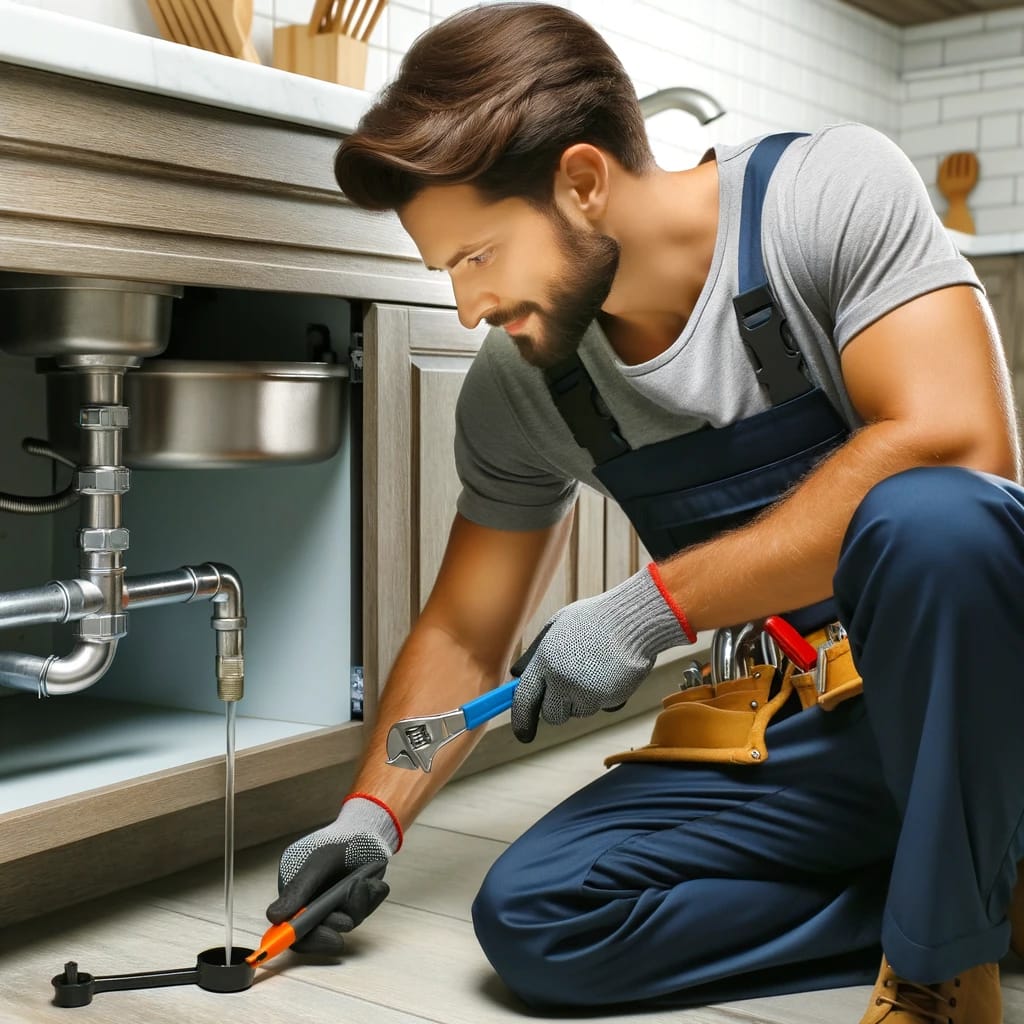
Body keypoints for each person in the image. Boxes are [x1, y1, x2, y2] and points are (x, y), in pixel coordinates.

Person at [264, 4, 1024, 1021]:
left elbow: (955, 444)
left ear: (582, 183)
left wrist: (648, 608)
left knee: (929, 520)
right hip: (824, 731)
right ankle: (979, 892)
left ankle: (940, 967)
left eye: (476, 256)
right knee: (540, 918)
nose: (465, 308)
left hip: (988, 698)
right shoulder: (524, 383)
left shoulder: (824, 194)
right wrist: (370, 816)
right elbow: (464, 627)